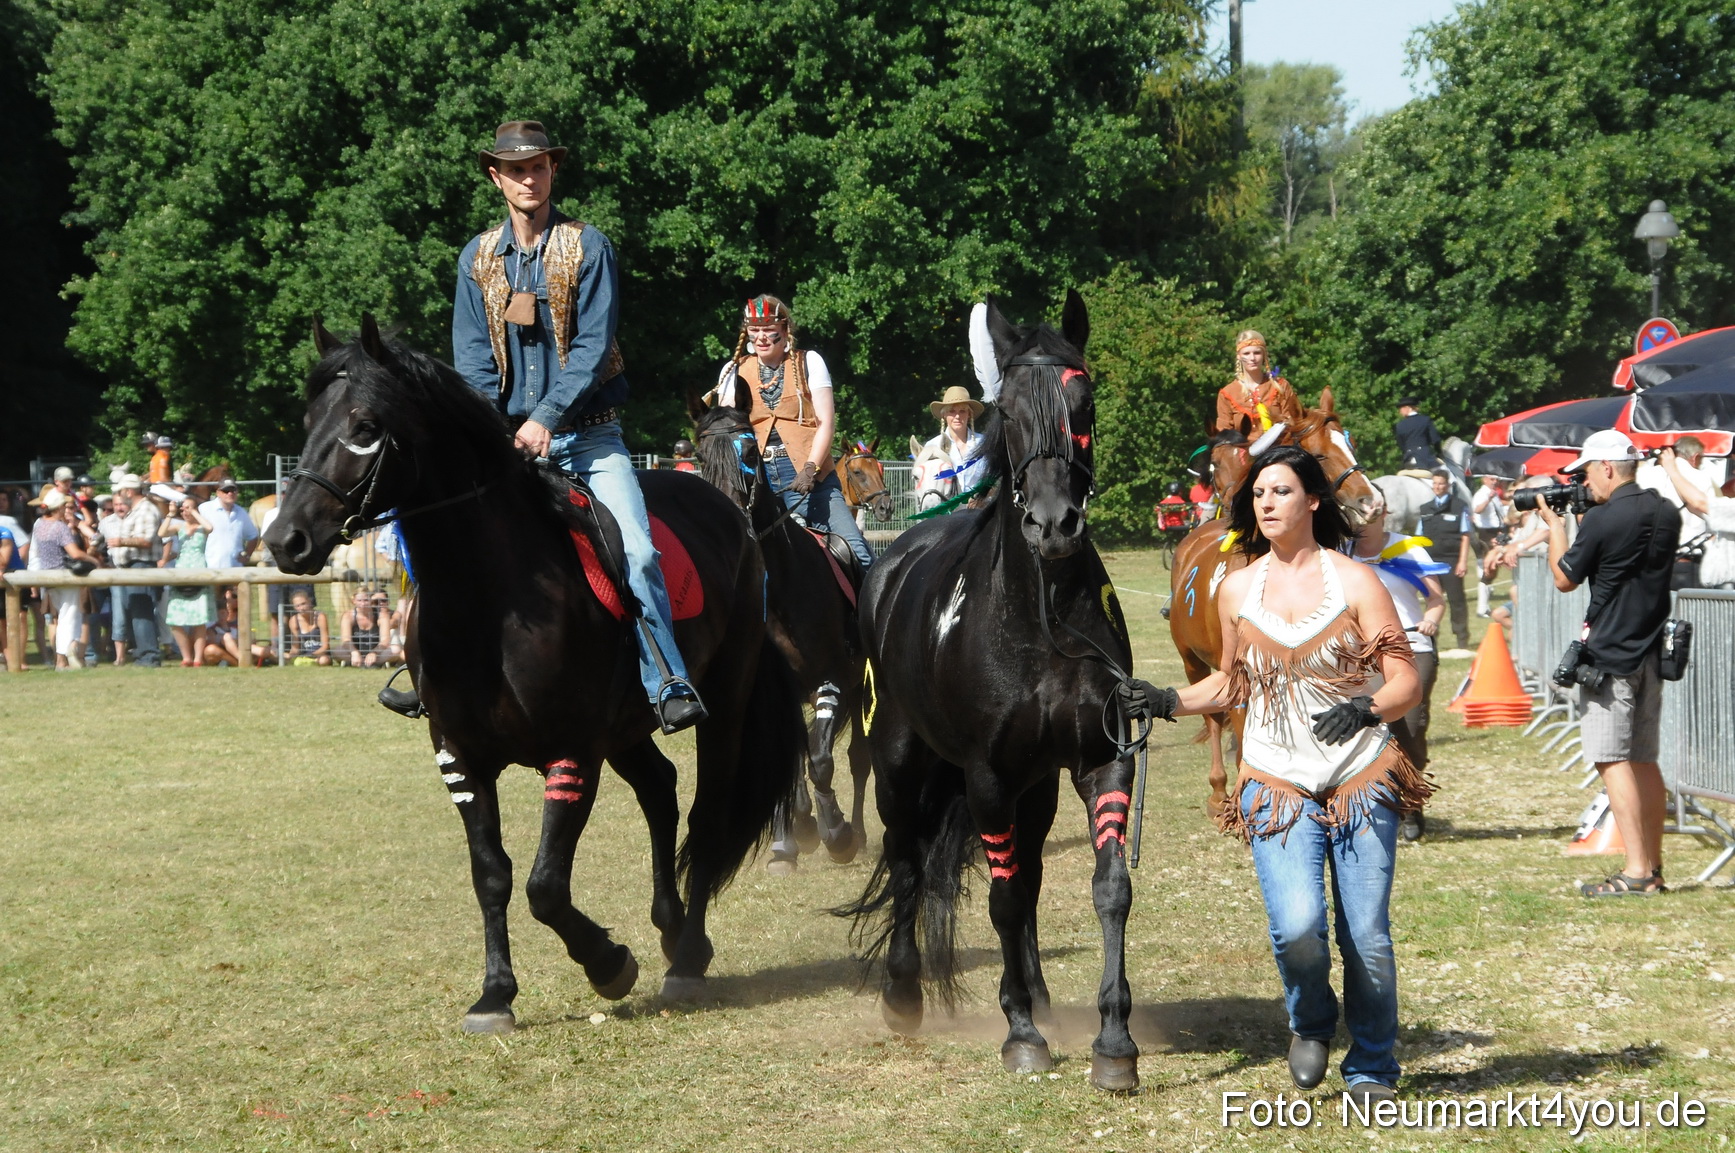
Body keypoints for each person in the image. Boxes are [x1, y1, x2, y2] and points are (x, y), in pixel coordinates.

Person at [1148, 444, 1427, 1102]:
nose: (1265, 502)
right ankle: (1309, 1022)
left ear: (1312, 500)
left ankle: (1371, 1066)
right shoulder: (1237, 589)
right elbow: (1228, 680)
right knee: (1297, 925)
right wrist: (1164, 700)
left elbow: (1405, 681)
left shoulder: (1356, 581)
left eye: (1279, 491)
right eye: (1258, 494)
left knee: (1366, 936)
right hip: (1274, 779)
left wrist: (1366, 708)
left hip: (1359, 774)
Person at [450, 119, 703, 732]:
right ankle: (438, 674)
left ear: (553, 170)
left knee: (638, 553)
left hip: (589, 436)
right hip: (509, 445)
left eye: (537, 166)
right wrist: (495, 429)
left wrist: (545, 418)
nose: (527, 178)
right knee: (450, 539)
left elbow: (592, 347)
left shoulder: (589, 246)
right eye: (515, 169)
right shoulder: (477, 258)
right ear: (496, 178)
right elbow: (473, 359)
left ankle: (667, 679)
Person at [1540, 431, 1679, 898]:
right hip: (1650, 647)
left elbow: (1564, 578)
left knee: (1611, 759)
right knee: (1643, 760)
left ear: (1606, 467)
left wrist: (1556, 527)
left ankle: (1636, 872)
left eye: (1584, 472)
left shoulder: (1602, 517)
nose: (1583, 482)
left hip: (1608, 653)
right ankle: (1653, 867)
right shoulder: (1665, 511)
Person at [709, 294, 875, 569]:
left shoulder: (809, 361)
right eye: (755, 330)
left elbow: (826, 423)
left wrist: (810, 468)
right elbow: (727, 433)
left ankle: (870, 610)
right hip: (755, 481)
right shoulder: (733, 371)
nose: (761, 337)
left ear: (785, 329)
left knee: (858, 555)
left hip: (810, 477)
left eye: (768, 330)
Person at [1349, 497, 1447, 841]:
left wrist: (1431, 620)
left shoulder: (1406, 549)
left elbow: (1436, 598)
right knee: (1380, 725)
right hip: (1363, 653)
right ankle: (1393, 802)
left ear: (1383, 513)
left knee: (1411, 724)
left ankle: (1412, 793)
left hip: (1411, 646)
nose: (1359, 519)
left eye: (1367, 511)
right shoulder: (1340, 554)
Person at [32, 491, 97, 669]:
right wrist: (93, 560)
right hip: (64, 575)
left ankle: (63, 657)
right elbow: (74, 553)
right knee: (69, 616)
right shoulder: (59, 527)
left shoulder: (39, 526)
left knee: (60, 618)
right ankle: (62, 658)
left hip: (48, 577)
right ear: (59, 507)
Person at [108, 474, 164, 667]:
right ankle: (143, 654)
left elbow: (146, 540)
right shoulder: (137, 510)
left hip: (142, 565)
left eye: (122, 491)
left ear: (129, 491)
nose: (120, 495)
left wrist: (121, 541)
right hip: (132, 566)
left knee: (142, 612)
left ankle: (149, 656)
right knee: (137, 611)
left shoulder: (146, 510)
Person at [1647, 436, 1716, 588]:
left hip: (1651, 564)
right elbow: (1713, 517)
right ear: (1695, 457)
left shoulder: (1648, 475)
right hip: (1688, 564)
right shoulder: (1701, 477)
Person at [1414, 468, 1472, 651]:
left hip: (1451, 561)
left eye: (1441, 484)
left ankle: (1462, 639)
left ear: (1448, 486)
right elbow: (1418, 537)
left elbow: (1465, 535)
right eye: (1435, 483)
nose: (1438, 487)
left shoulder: (1459, 506)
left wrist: (1463, 561)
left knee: (1457, 601)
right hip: (1431, 563)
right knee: (1433, 600)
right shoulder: (1425, 509)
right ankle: (1432, 640)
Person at [1215, 330, 1304, 438]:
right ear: (1239, 356)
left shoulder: (1280, 386)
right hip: (1243, 451)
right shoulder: (1227, 394)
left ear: (1264, 354)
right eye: (1246, 353)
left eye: (1257, 353)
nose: (1252, 358)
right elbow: (1224, 433)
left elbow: (1294, 422)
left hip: (1280, 449)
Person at [160, 496, 216, 666]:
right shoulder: (178, 527)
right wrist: (170, 514)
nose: (185, 512)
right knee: (175, 620)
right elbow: (161, 533)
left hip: (199, 570)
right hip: (181, 572)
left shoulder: (201, 527)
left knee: (199, 621)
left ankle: (198, 658)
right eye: (183, 509)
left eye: (188, 508)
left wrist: (194, 513)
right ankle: (186, 657)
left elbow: (210, 527)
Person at [916, 384, 989, 506]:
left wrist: (982, 497)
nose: (957, 416)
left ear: (969, 414)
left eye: (962, 411)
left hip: (981, 514)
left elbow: (996, 479)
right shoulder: (932, 446)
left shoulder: (984, 443)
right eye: (952, 411)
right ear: (944, 415)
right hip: (945, 516)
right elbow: (925, 484)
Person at [199, 479, 260, 568]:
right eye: (226, 491)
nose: (230, 494)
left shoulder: (241, 512)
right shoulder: (204, 509)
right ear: (218, 493)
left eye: (233, 491)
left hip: (235, 567)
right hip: (210, 566)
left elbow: (253, 536)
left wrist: (247, 555)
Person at [1469, 474, 1507, 615]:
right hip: (1486, 533)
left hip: (1499, 530)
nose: (1495, 482)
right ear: (1484, 479)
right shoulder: (1481, 494)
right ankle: (1482, 607)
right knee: (1489, 568)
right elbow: (1478, 510)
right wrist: (1488, 499)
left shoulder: (1494, 493)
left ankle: (1485, 600)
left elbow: (1499, 511)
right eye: (1492, 479)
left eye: (1496, 479)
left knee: (1493, 569)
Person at [339, 588, 386, 668]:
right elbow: (346, 640)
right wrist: (354, 652)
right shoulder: (348, 616)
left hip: (377, 651)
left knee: (395, 650)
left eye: (366, 600)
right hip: (355, 649)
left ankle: (364, 662)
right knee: (336, 650)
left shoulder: (382, 615)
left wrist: (374, 652)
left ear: (371, 600)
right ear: (353, 601)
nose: (363, 604)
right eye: (359, 601)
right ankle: (363, 661)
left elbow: (385, 641)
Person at [1393, 397, 1442, 470]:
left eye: (1401, 409)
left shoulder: (1399, 425)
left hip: (1408, 459)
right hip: (1425, 457)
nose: (1400, 412)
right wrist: (1439, 452)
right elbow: (1435, 440)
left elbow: (1402, 446)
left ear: (1408, 408)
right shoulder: (1425, 420)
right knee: (1445, 474)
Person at [285, 590, 331, 665]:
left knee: (324, 660)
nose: (301, 608)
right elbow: (295, 647)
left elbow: (325, 646)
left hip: (321, 654)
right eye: (297, 606)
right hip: (303, 654)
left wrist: (311, 655)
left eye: (303, 604)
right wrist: (290, 655)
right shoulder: (294, 620)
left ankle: (309, 662)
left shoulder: (320, 617)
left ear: (309, 602)